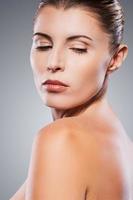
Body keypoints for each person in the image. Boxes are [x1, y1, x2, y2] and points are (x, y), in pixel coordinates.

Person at [10, 0, 133, 199]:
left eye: (77, 48)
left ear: (115, 58)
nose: (53, 63)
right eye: (43, 46)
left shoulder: (63, 139)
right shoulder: (124, 147)